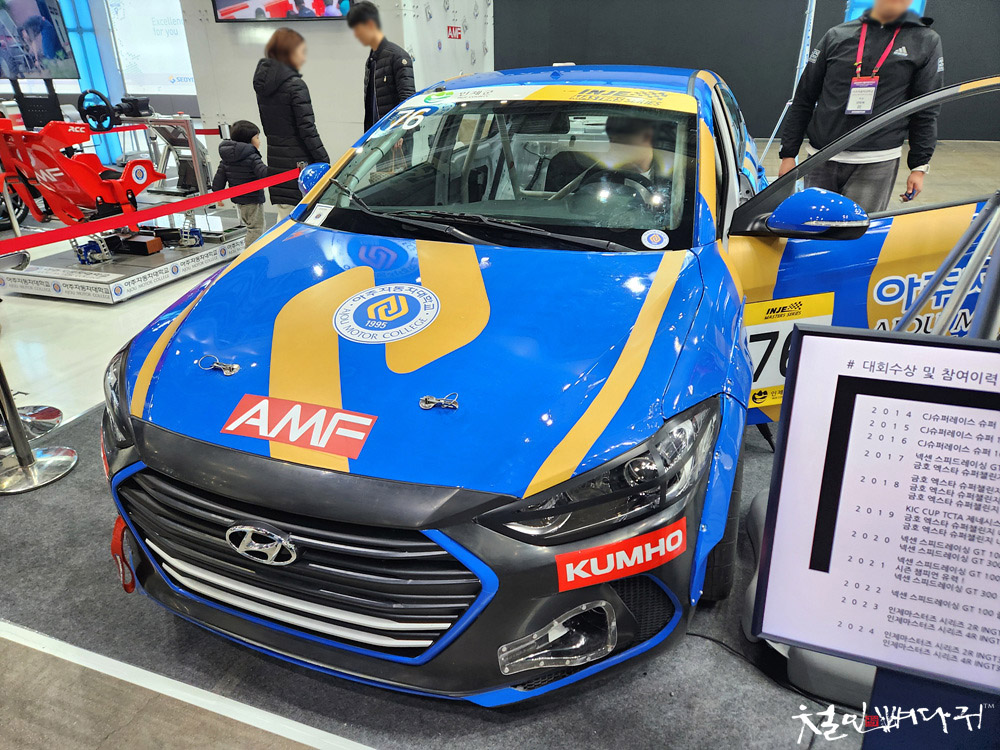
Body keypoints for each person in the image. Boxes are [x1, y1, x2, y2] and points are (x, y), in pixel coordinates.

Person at [778, 0, 944, 213]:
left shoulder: (924, 40)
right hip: (821, 157)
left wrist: (919, 166)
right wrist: (788, 154)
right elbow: (804, 97)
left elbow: (926, 108)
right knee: (814, 226)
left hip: (876, 162)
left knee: (859, 229)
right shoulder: (837, 35)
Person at [253, 28, 328, 220]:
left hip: (276, 161)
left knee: (285, 215)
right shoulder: (295, 85)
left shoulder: (263, 86)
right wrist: (324, 160)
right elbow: (307, 129)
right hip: (299, 162)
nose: (303, 57)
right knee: (305, 218)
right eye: (301, 51)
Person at [347, 2, 415, 132]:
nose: (356, 35)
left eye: (357, 29)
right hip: (376, 135)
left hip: (395, 137)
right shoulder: (371, 60)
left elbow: (408, 100)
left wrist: (399, 133)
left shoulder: (397, 56)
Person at [212, 120, 269, 246]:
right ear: (249, 140)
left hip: (239, 200)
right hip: (252, 198)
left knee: (250, 227)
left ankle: (252, 251)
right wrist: (278, 170)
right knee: (256, 228)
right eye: (257, 137)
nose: (259, 141)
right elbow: (263, 173)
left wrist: (218, 196)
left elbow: (219, 178)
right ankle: (251, 253)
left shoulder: (227, 158)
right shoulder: (252, 156)